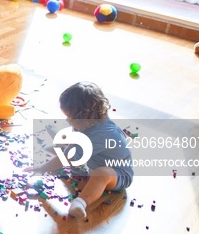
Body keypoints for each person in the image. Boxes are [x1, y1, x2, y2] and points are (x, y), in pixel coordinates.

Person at [29, 82, 133, 219]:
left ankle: (80, 203)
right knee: (74, 141)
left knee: (102, 173)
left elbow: (67, 158)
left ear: (84, 116)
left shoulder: (102, 134)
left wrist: (43, 168)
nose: (67, 119)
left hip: (118, 173)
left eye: (70, 117)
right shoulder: (93, 119)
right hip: (94, 158)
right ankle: (63, 143)